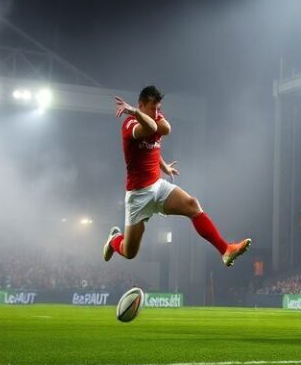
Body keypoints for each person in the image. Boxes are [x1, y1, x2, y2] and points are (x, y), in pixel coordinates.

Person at [103, 86, 251, 268]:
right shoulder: (129, 125)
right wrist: (133, 113)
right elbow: (150, 130)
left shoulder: (154, 116)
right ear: (140, 105)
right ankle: (113, 240)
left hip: (157, 186)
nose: (157, 112)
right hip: (138, 196)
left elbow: (164, 131)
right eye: (152, 108)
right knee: (129, 252)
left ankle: (226, 250)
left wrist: (163, 165)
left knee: (192, 205)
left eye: (158, 108)